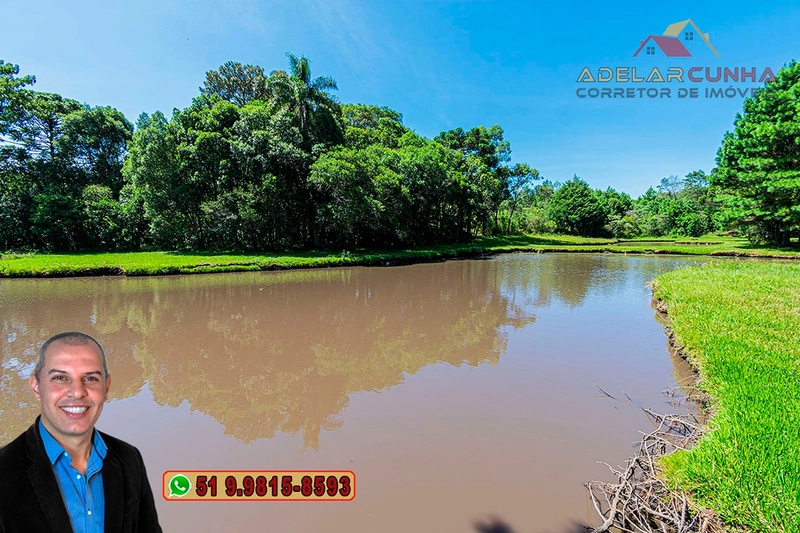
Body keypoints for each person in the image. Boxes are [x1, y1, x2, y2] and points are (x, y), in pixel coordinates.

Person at [0, 331, 162, 533]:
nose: (77, 392)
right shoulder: (4, 471)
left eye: (91, 378)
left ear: (106, 386)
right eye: (60, 377)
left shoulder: (130, 459)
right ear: (36, 387)